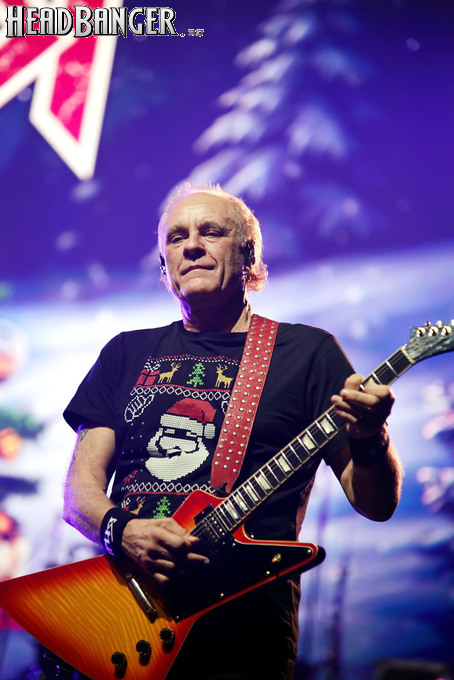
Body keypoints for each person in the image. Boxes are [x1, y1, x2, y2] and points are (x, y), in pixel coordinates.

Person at [63, 184, 403, 680]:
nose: (191, 246)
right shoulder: (125, 353)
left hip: (244, 637)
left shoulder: (307, 353)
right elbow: (79, 492)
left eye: (211, 232)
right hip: (124, 621)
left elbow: (376, 504)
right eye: (176, 237)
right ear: (164, 267)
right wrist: (125, 530)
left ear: (249, 257)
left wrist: (372, 437)